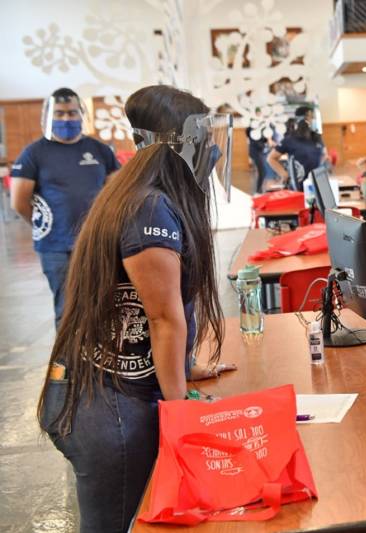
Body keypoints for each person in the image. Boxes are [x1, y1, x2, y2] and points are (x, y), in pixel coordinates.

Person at [36, 85, 238, 532]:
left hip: (104, 395)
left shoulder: (141, 195)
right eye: (204, 142)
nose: (212, 155)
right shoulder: (151, 208)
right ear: (180, 147)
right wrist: (180, 402)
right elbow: (163, 318)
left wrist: (182, 369)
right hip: (106, 409)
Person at [10, 87, 120, 327]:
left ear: (81, 114)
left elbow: (116, 194)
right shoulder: (33, 154)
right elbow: (19, 202)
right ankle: (68, 365)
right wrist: (46, 225)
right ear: (48, 116)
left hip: (96, 244)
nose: (66, 119)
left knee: (103, 307)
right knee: (67, 311)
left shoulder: (100, 151)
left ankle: (100, 362)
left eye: (72, 113)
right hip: (55, 248)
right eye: (59, 114)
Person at [267, 119, 325, 191]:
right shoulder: (289, 140)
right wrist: (285, 175)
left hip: (317, 183)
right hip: (299, 185)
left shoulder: (317, 138)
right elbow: (271, 158)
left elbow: (323, 155)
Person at [245, 125, 276, 193]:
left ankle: (260, 190)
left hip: (259, 152)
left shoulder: (264, 129)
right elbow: (258, 142)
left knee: (262, 172)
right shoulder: (252, 129)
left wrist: (269, 140)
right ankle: (258, 191)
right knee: (262, 172)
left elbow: (266, 140)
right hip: (256, 152)